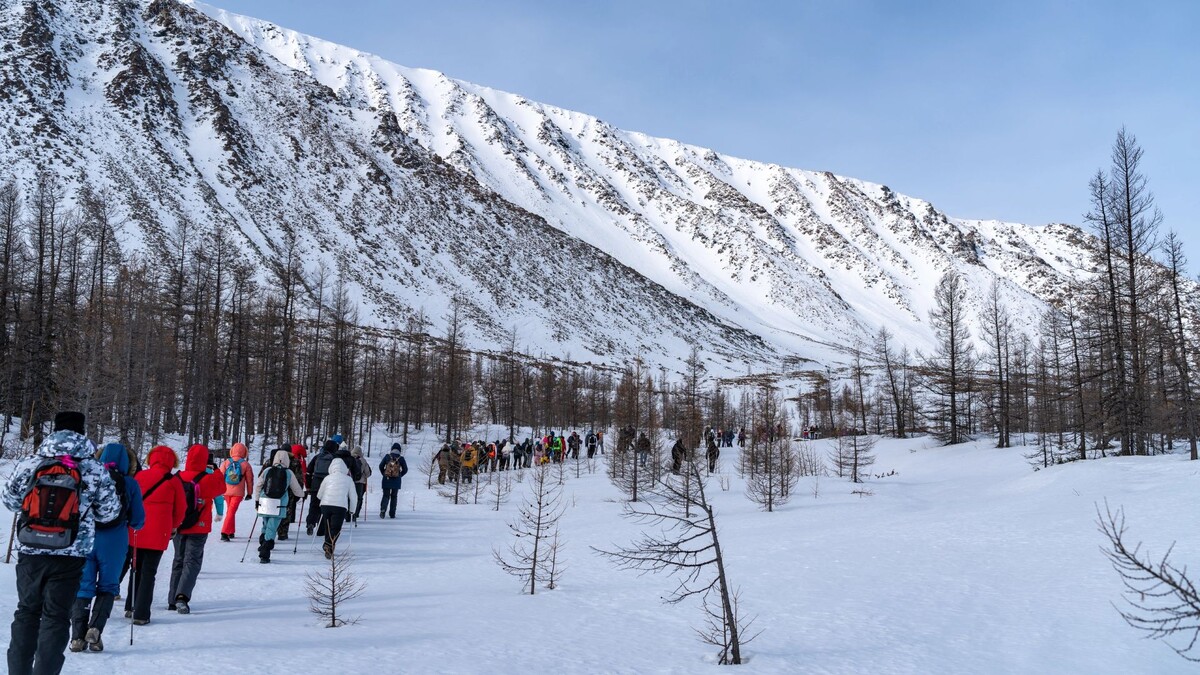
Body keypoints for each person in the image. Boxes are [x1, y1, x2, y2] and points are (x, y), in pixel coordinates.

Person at [4, 411, 121, 675]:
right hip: (70, 553)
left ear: (54, 431)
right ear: (82, 432)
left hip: (30, 551)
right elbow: (110, 512)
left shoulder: (31, 462)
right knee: (56, 618)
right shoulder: (93, 468)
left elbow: (10, 500)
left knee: (26, 612)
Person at [70, 442, 145, 653]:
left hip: (86, 537)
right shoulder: (129, 483)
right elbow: (138, 520)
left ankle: (77, 637)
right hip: (114, 539)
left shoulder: (89, 478)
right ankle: (95, 629)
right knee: (108, 586)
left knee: (84, 585)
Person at [124, 445, 185, 626]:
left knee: (136, 568)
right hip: (159, 533)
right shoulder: (173, 481)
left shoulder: (140, 476)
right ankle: (142, 614)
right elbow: (181, 509)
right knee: (149, 572)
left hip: (136, 530)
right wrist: (174, 526)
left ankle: (130, 606)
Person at [166, 444, 225, 615]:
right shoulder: (208, 479)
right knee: (192, 562)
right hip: (198, 527)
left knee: (178, 560)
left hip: (178, 524)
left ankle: (172, 599)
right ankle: (182, 597)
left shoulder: (177, 478)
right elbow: (222, 487)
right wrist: (215, 470)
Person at [255, 450, 304, 564]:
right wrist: (303, 494)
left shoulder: (267, 470)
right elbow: (296, 490)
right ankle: (265, 552)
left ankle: (262, 543)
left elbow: (258, 486)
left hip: (265, 500)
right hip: (279, 503)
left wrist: (257, 500)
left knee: (266, 523)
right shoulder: (289, 473)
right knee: (272, 526)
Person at [315, 458, 358, 559]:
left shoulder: (327, 478)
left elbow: (319, 495)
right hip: (340, 506)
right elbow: (353, 497)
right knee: (336, 527)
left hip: (325, 505)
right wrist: (352, 510)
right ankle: (329, 545)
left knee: (327, 527)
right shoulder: (348, 479)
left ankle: (328, 546)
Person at [219, 443, 254, 541]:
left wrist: (219, 490)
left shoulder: (226, 462)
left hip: (226, 491)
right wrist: (249, 493)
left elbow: (220, 477)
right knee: (231, 511)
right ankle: (224, 533)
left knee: (230, 511)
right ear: (245, 452)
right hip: (238, 493)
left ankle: (230, 531)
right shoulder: (245, 464)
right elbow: (249, 480)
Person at [305, 440, 339, 536]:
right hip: (329, 486)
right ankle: (321, 530)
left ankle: (311, 523)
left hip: (315, 485)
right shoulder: (335, 459)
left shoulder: (317, 457)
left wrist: (308, 486)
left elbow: (308, 472)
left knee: (314, 506)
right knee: (326, 507)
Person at [278, 444, 307, 540]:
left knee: (273, 509)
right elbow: (299, 478)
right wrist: (299, 492)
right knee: (287, 510)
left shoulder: (272, 460)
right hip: (289, 490)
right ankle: (283, 532)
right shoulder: (295, 462)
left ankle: (270, 530)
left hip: (272, 489)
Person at [378, 444, 408, 519]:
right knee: (394, 497)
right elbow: (406, 469)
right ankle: (392, 513)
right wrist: (400, 475)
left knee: (385, 495)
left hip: (386, 479)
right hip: (396, 481)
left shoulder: (387, 456)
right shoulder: (401, 458)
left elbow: (380, 466)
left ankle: (383, 510)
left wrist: (384, 473)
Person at [350, 447, 372, 522]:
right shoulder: (363, 460)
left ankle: (348, 515)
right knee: (358, 498)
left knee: (349, 497)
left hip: (350, 482)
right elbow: (368, 473)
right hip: (360, 483)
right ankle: (355, 514)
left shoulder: (349, 459)